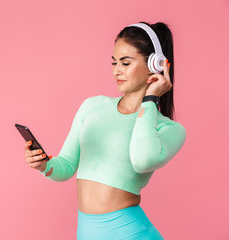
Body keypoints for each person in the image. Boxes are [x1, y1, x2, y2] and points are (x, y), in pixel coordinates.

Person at [23, 21, 186, 239]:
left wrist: (150, 99)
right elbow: (67, 166)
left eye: (126, 63)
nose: (117, 70)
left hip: (131, 233)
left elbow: (143, 160)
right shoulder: (92, 107)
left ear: (154, 65)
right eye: (114, 63)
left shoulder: (167, 128)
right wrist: (45, 165)